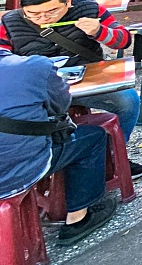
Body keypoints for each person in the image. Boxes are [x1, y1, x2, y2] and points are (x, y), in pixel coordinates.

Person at [0, 0, 142, 180]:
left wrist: (99, 31)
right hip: (41, 89)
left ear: (68, 2)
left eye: (52, 11)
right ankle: (50, 163)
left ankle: (113, 157)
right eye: (33, 14)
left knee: (128, 101)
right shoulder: (9, 22)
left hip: (89, 80)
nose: (43, 18)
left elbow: (124, 40)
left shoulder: (88, 8)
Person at [0, 52, 119, 244]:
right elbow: (60, 106)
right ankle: (78, 219)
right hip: (16, 173)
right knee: (93, 137)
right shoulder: (34, 66)